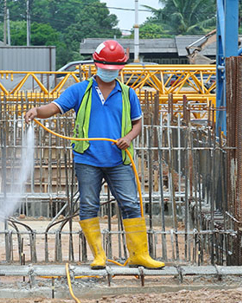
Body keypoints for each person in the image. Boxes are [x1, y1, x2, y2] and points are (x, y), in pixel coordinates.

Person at [25, 40, 164, 270]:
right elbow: (55, 107)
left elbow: (138, 124)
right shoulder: (79, 90)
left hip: (119, 160)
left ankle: (140, 255)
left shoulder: (128, 94)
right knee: (89, 205)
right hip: (87, 159)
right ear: (96, 64)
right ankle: (99, 256)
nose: (108, 73)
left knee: (130, 204)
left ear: (120, 69)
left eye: (113, 70)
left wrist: (128, 138)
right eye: (105, 68)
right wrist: (37, 112)